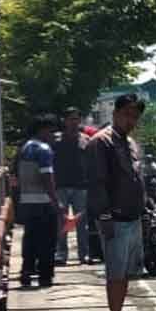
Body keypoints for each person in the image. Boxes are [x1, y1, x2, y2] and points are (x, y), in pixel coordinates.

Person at [86, 93, 147, 311]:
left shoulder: (129, 143)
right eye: (127, 114)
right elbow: (97, 183)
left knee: (126, 274)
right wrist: (104, 216)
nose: (130, 120)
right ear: (115, 114)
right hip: (115, 218)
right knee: (116, 274)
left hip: (132, 216)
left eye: (135, 116)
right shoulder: (102, 142)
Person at [17, 113, 63, 288]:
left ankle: (26, 271)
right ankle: (45, 275)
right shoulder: (43, 149)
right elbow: (47, 178)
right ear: (43, 130)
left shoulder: (25, 148)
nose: (54, 136)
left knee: (30, 238)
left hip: (27, 201)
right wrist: (56, 201)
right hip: (44, 202)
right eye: (52, 132)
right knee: (47, 241)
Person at [53, 107, 90, 265]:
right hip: (60, 185)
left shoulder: (86, 140)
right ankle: (61, 254)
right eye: (70, 119)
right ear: (64, 121)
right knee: (61, 222)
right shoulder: (55, 139)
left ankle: (84, 254)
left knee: (82, 223)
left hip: (81, 187)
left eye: (76, 119)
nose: (73, 122)